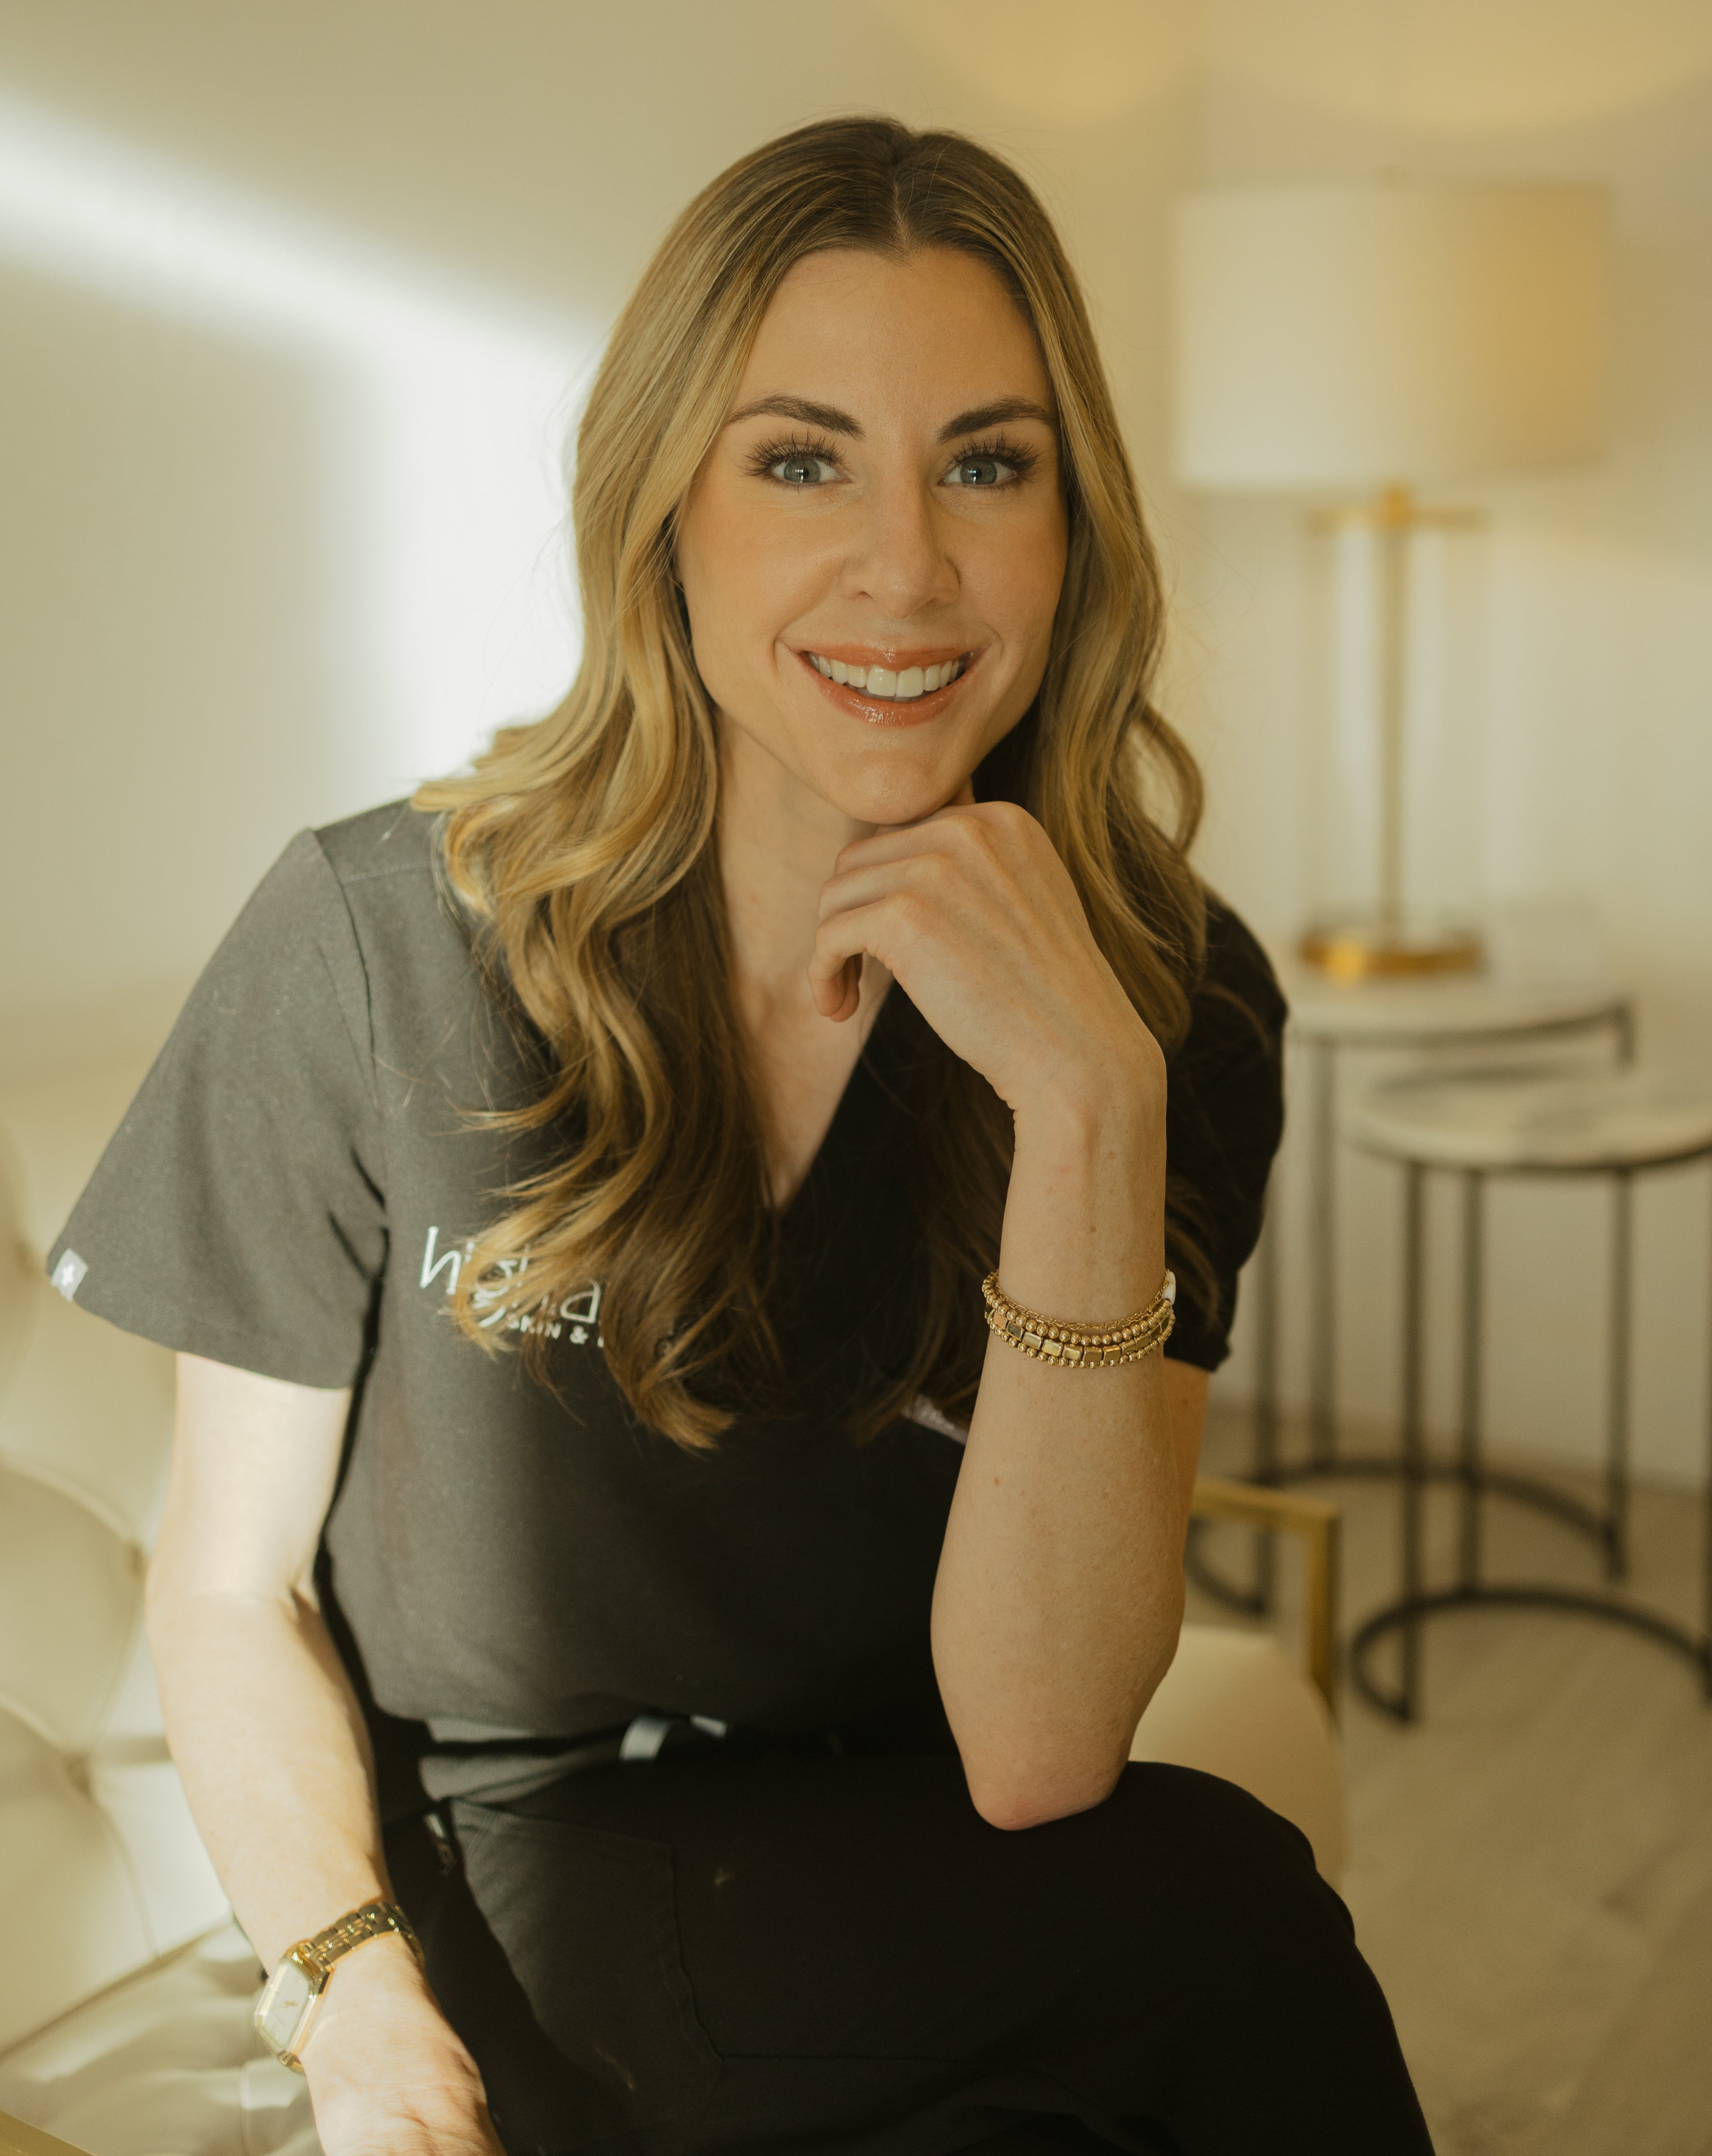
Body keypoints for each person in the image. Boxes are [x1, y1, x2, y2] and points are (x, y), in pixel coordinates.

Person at [51, 118, 1430, 2156]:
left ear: (1075, 531)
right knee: (1232, 1930)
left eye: (988, 464)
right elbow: (229, 1589)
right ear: (662, 514)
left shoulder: (1166, 995)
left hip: (922, 1838)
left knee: (1161, 1980)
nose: (909, 566)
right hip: (515, 1875)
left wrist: (1086, 1105)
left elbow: (1043, 1748)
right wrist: (352, 2003)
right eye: (802, 462)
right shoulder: (378, 940)